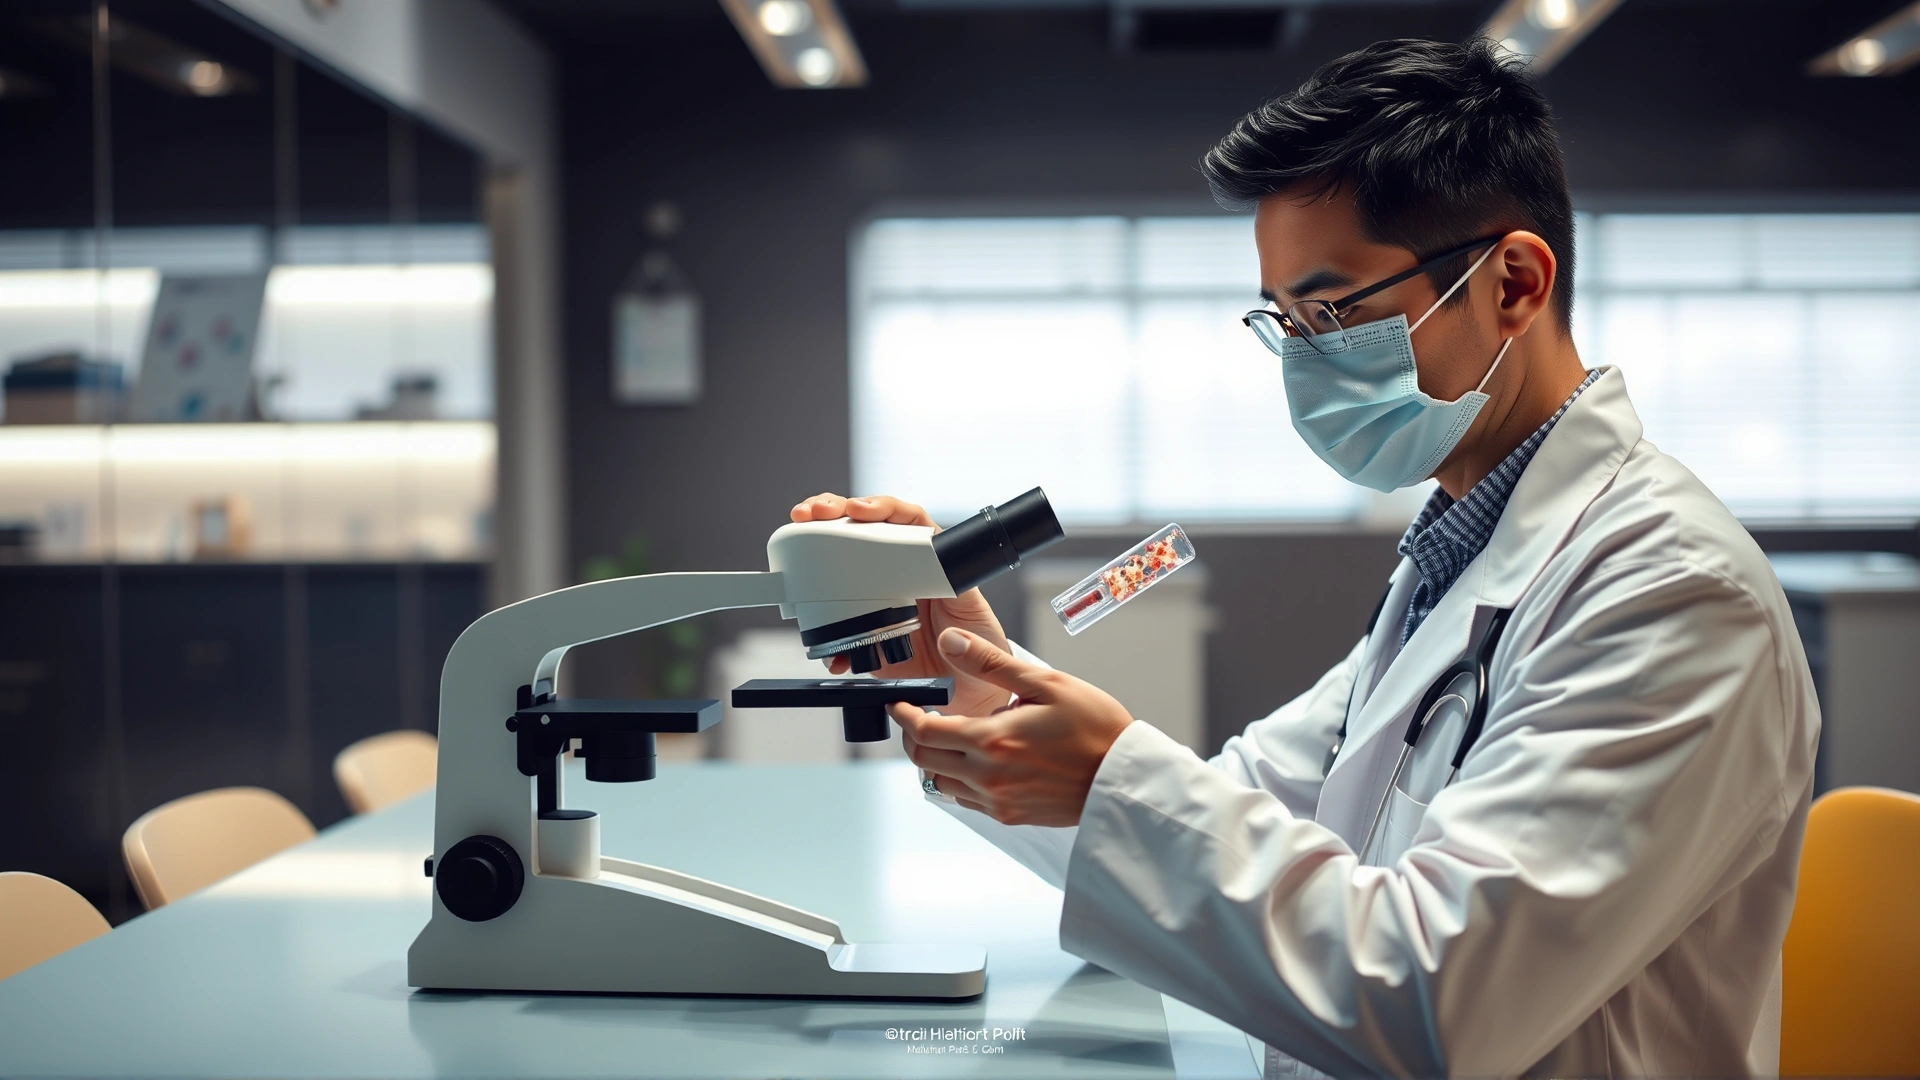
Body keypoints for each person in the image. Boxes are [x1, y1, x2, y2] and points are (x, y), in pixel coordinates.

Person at [793, 37, 1817, 1079]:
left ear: (1512, 281)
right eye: (1283, 320)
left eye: (1335, 312)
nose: (1306, 358)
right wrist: (973, 679)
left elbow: (1438, 1001)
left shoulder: (1677, 596)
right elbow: (1244, 803)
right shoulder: (1456, 556)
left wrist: (1109, 777)